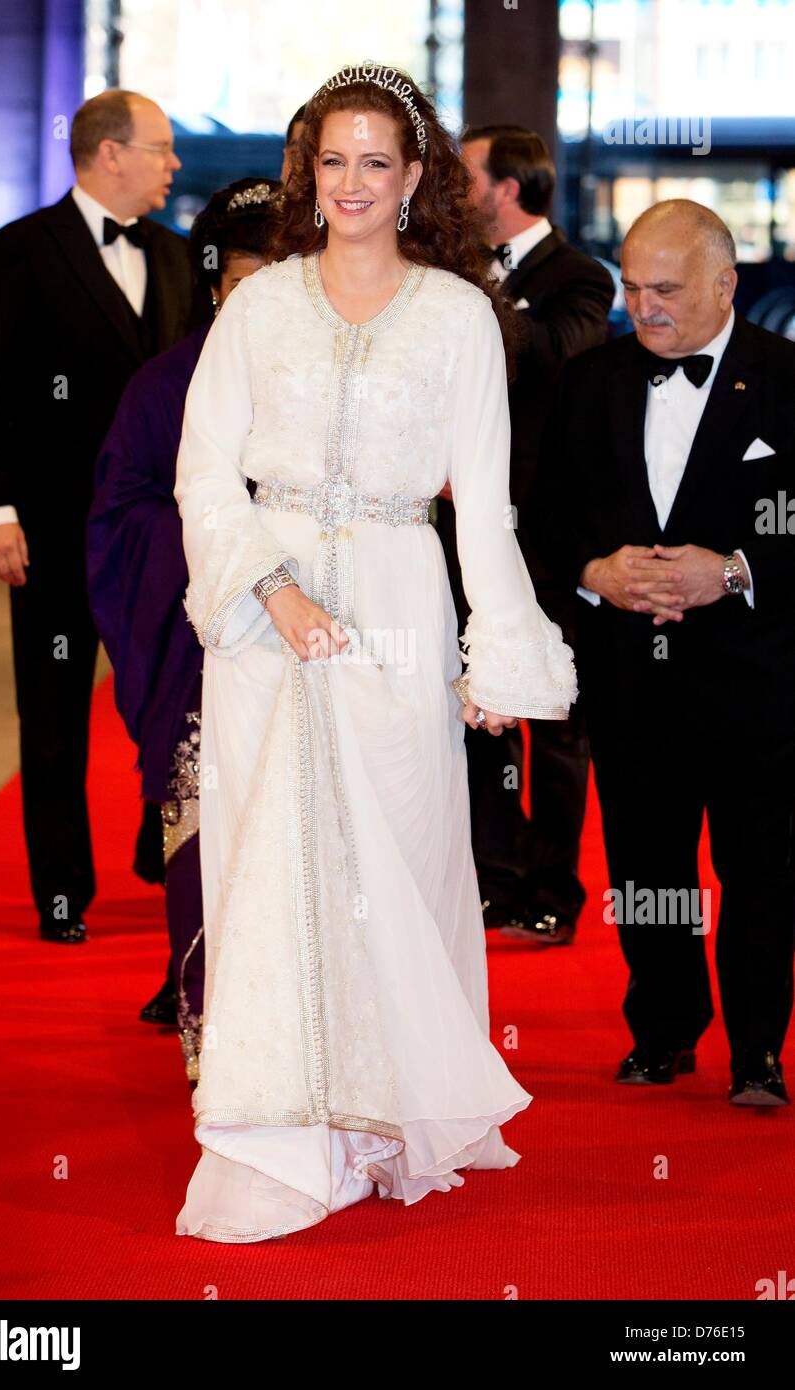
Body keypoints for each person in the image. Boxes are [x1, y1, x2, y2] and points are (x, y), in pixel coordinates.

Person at [172, 63, 577, 1244]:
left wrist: (497, 655)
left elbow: (486, 508)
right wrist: (272, 586)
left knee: (394, 858)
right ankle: (283, 1131)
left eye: (375, 162)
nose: (350, 183)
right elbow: (203, 471)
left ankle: (390, 1112)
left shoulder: (459, 317)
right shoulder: (257, 306)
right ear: (308, 174)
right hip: (262, 620)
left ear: (413, 180)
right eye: (330, 161)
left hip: (399, 605)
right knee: (274, 862)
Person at [541, 199, 795, 1104]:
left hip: (759, 682)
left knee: (762, 871)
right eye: (632, 288)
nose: (643, 307)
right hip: (628, 681)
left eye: (665, 290)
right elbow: (542, 518)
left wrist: (731, 571)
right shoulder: (587, 380)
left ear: (726, 286)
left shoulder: (786, 380)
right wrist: (594, 571)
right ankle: (663, 1031)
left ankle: (758, 1049)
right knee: (647, 868)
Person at [0, 89, 208, 944]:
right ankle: (61, 893)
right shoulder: (21, 251)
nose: (174, 165)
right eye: (162, 148)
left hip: (164, 536)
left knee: (170, 702)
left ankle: (164, 855)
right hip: (57, 531)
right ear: (110, 154)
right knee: (56, 715)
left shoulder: (179, 260)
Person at [87, 178, 283, 1075]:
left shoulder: (335, 384)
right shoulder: (164, 387)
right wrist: (229, 545)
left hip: (320, 661)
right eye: (246, 287)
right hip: (202, 659)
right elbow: (119, 519)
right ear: (214, 288)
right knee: (208, 860)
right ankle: (224, 1054)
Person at [437, 125, 614, 946]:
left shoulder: (578, 278)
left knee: (557, 723)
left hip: (548, 534)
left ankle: (554, 889)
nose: (450, 187)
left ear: (507, 189)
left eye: (464, 175)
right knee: (478, 706)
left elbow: (552, 358)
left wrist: (474, 296)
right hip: (461, 531)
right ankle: (494, 876)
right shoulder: (451, 279)